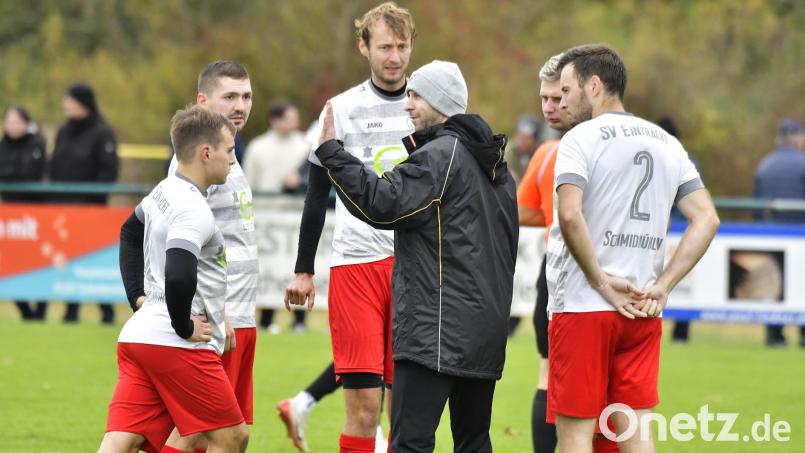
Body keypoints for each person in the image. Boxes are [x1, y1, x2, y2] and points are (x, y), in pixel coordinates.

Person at [305, 59, 518, 452]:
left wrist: (332, 153)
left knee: (410, 443)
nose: (407, 105)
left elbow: (383, 203)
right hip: (483, 333)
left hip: (434, 331)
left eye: (416, 96)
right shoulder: (496, 165)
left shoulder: (442, 154)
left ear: (440, 101)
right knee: (474, 442)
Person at [545, 44, 719, 452]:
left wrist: (600, 281)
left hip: (585, 308)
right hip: (642, 308)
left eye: (567, 90)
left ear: (593, 85)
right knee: (633, 435)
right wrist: (664, 285)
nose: (562, 100)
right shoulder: (667, 142)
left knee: (575, 437)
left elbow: (569, 215)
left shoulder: (579, 139)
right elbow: (706, 218)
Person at [280, 3, 415, 452]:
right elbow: (317, 194)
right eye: (384, 47)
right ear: (364, 47)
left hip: (415, 268)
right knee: (362, 410)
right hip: (356, 267)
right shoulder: (341, 108)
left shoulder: (427, 106)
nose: (394, 57)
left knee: (408, 412)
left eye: (401, 46)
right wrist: (303, 269)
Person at [119, 61, 259, 451]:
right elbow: (163, 243)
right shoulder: (200, 167)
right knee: (204, 433)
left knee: (207, 433)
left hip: (238, 318)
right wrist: (219, 312)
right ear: (203, 100)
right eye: (229, 96)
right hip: (217, 322)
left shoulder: (228, 155)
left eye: (246, 96)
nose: (240, 105)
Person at [48, 83, 119, 325]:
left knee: (96, 261)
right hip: (64, 211)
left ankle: (107, 311)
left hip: (91, 210)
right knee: (69, 260)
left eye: (71, 100)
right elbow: (55, 166)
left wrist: (91, 202)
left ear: (83, 103)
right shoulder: (64, 131)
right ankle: (71, 310)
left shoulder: (102, 132)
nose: (66, 104)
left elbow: (108, 171)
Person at [244, 100, 310, 334]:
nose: (295, 124)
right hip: (266, 218)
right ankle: (265, 319)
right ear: (275, 120)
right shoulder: (258, 147)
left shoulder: (305, 146)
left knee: (299, 268)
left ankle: (300, 320)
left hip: (295, 217)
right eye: (289, 118)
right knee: (268, 269)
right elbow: (248, 183)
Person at [752, 118, 805, 347]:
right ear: (798, 139)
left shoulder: (765, 165)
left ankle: (774, 335)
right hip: (800, 236)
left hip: (772, 236)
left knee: (775, 286)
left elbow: (756, 205)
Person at [0, 106, 48, 321]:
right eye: (8, 120)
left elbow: (29, 174)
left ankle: (40, 311)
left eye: (16, 120)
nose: (11, 125)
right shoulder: (3, 145)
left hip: (35, 214)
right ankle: (26, 312)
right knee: (12, 264)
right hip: (10, 216)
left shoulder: (37, 143)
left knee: (40, 264)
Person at [505, 114, 541, 185]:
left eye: (527, 138)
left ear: (534, 140)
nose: (522, 141)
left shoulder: (540, 152)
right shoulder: (508, 151)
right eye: (519, 136)